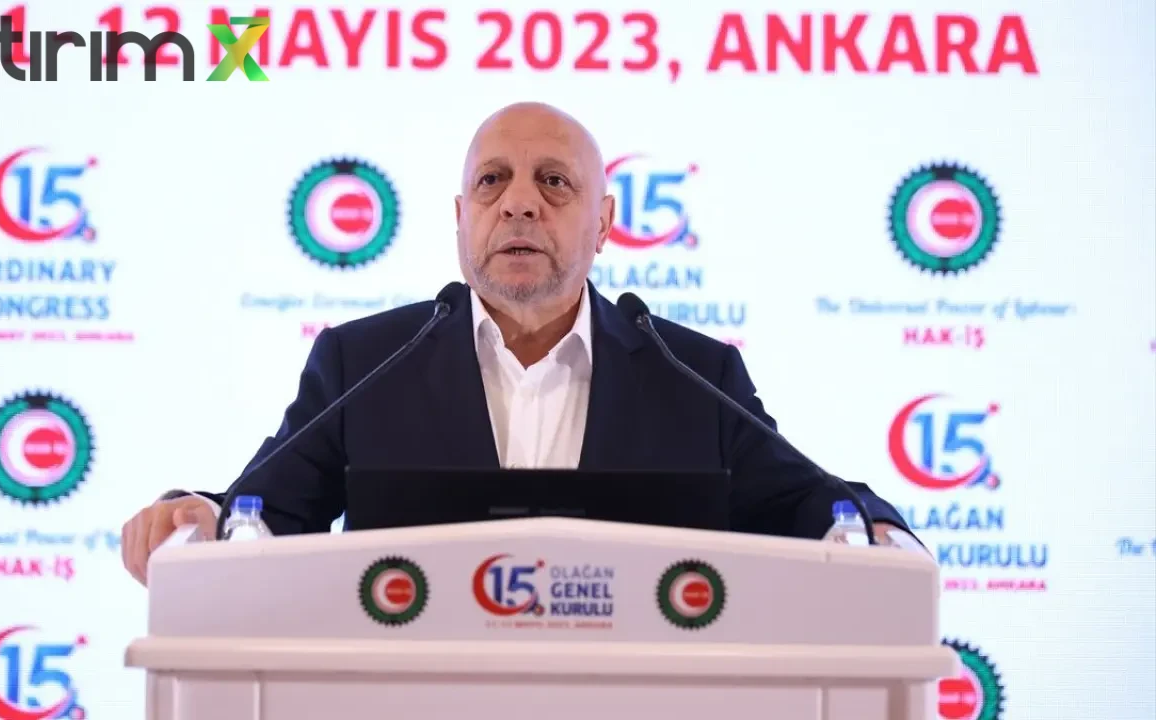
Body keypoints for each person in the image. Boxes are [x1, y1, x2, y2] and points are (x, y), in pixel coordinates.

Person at [121, 102, 917, 586]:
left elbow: (806, 505)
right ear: (461, 218)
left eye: (554, 182)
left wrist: (875, 525)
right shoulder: (364, 364)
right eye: (492, 180)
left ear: (604, 223)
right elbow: (265, 511)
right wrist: (194, 517)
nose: (520, 204)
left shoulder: (693, 373)